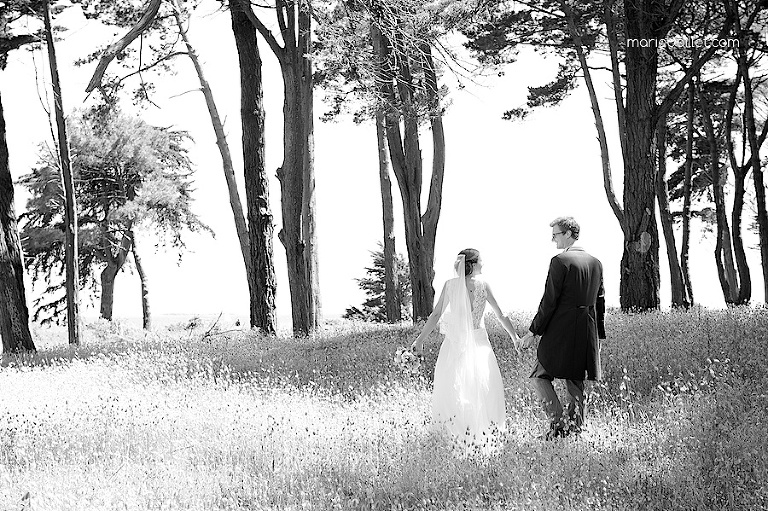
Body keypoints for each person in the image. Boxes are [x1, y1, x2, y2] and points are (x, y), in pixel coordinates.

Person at [411, 248, 519, 452]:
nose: (483, 264)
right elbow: (500, 314)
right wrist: (515, 337)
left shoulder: (451, 286)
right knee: (482, 387)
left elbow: (435, 316)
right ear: (473, 264)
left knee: (452, 387)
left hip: (454, 345)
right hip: (479, 344)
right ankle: (483, 435)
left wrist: (420, 340)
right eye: (481, 261)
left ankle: (455, 435)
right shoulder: (483, 286)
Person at [519, 216, 606, 440]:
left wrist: (533, 332)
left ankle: (559, 426)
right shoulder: (596, 262)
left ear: (568, 234)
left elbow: (549, 301)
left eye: (555, 234)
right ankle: (575, 430)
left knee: (539, 376)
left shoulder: (560, 261)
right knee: (575, 381)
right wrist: (598, 337)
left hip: (561, 330)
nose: (552, 239)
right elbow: (600, 301)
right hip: (586, 331)